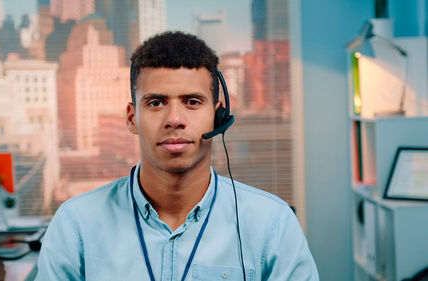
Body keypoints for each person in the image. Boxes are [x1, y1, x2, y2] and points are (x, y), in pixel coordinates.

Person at [35, 31, 319, 281]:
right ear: (132, 119)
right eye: (156, 102)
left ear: (218, 116)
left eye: (192, 102)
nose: (175, 119)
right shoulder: (76, 225)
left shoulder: (272, 225)